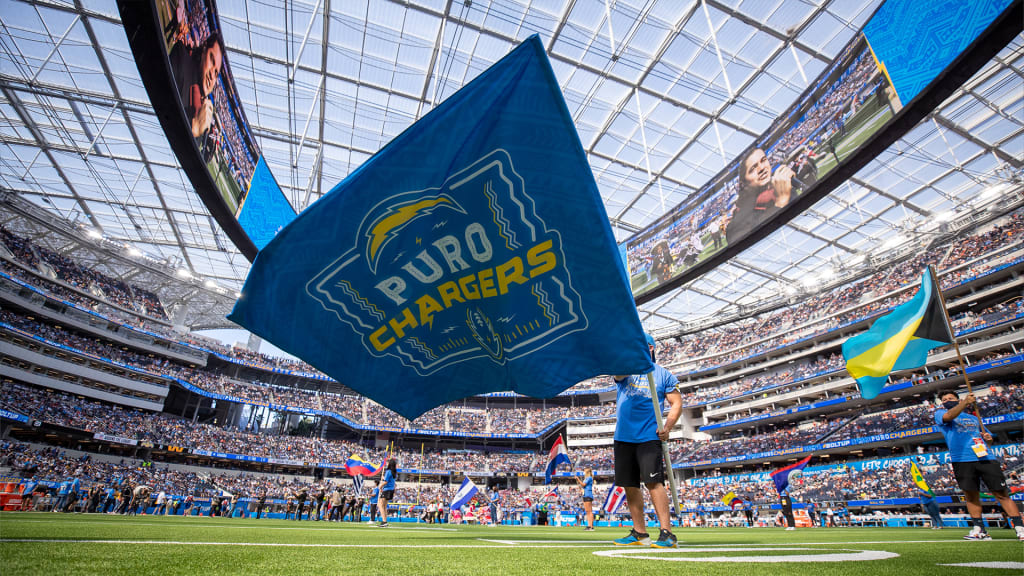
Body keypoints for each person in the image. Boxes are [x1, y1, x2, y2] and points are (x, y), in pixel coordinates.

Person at [611, 333, 683, 549]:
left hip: (649, 436)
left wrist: (668, 426)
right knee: (629, 485)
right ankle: (640, 533)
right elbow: (617, 374)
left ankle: (667, 533)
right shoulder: (626, 369)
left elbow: (676, 403)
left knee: (653, 482)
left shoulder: (663, 375)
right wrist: (632, 357)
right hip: (623, 436)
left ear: (650, 347)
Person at [934, 390, 1024, 541]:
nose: (947, 400)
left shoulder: (974, 418)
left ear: (958, 399)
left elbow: (987, 440)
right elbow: (949, 416)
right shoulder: (940, 413)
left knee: (1001, 493)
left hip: (985, 457)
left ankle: (1020, 528)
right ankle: (979, 529)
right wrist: (964, 403)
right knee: (971, 495)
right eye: (944, 399)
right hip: (962, 459)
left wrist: (988, 439)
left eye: (950, 398)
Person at [726, 148, 809, 246]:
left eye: (763, 160)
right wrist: (781, 202)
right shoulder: (737, 223)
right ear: (743, 183)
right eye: (752, 169)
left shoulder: (783, 187)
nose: (761, 168)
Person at [168, 34, 223, 140]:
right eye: (212, 60)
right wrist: (194, 127)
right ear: (204, 49)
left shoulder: (202, 111)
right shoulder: (181, 59)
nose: (212, 75)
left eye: (216, 72)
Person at [377, 459, 397, 527]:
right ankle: (384, 521)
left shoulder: (388, 471)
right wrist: (383, 477)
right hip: (391, 489)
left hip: (387, 489)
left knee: (380, 505)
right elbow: (388, 479)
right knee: (384, 506)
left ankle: (384, 521)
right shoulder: (394, 472)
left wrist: (380, 486)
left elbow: (386, 482)